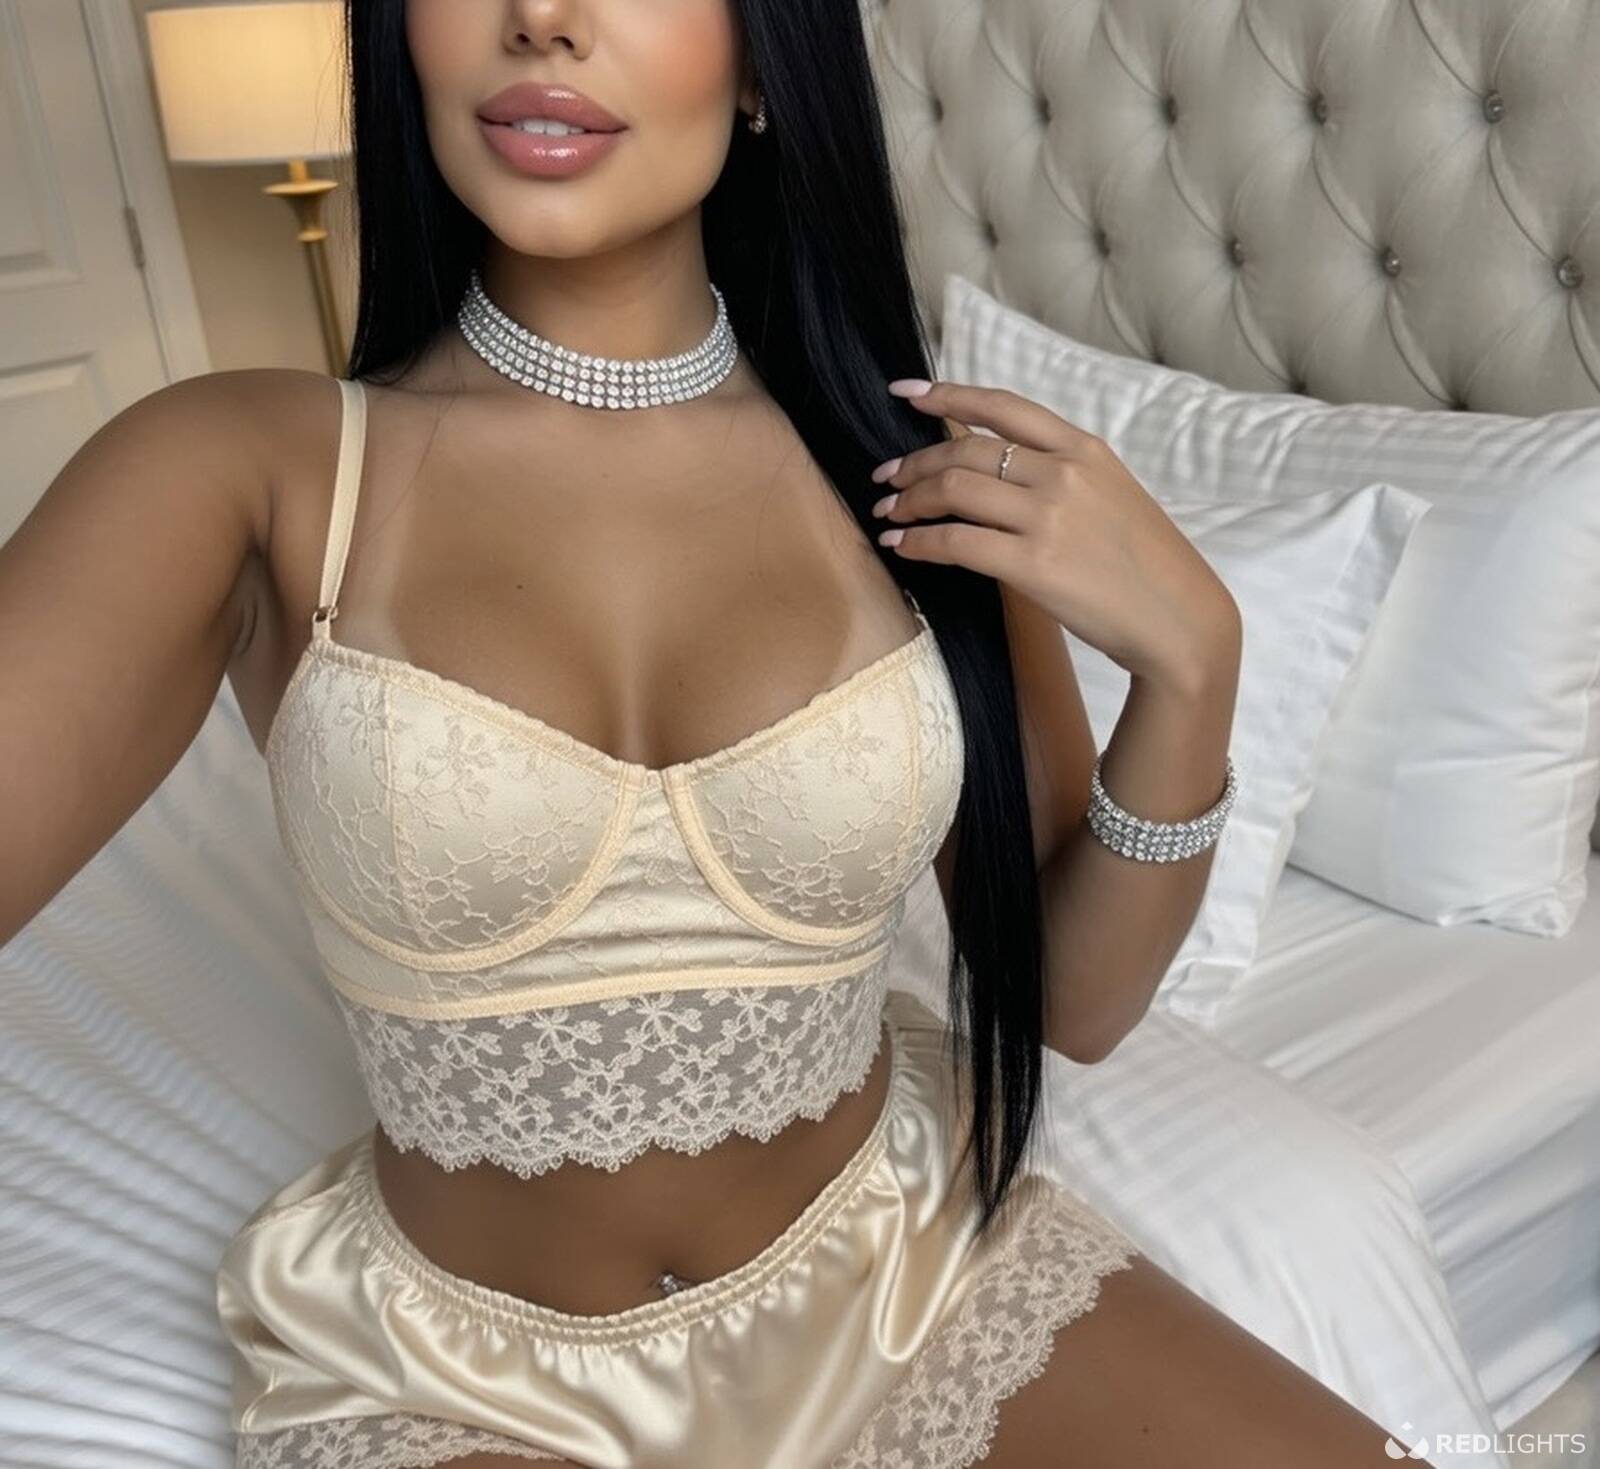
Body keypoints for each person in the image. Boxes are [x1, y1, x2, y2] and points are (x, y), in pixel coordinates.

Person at [0, 1, 1434, 1465]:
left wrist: (1195, 665)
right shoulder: (246, 467)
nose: (540, 18)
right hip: (457, 1373)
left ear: (762, 58)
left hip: (908, 1274)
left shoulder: (914, 484)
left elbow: (1073, 998)